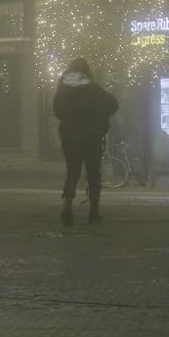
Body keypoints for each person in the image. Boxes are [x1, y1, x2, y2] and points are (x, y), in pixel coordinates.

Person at [53, 57, 118, 225]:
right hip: (91, 137)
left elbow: (57, 111)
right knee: (93, 173)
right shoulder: (92, 88)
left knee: (72, 172)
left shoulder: (63, 87)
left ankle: (67, 207)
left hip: (69, 137)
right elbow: (113, 104)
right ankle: (93, 211)